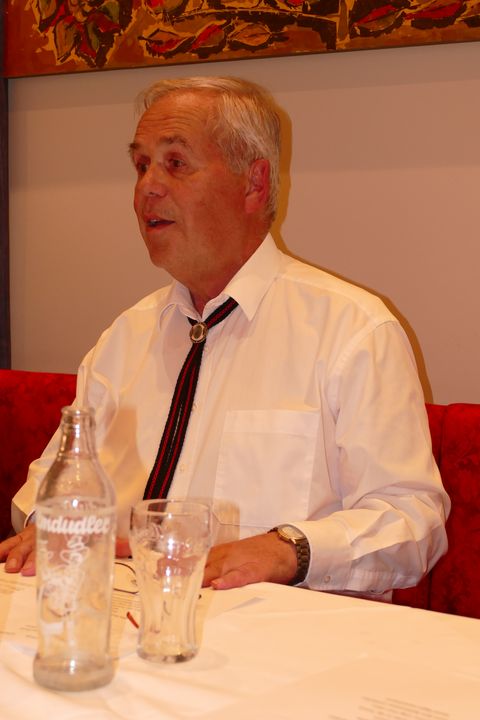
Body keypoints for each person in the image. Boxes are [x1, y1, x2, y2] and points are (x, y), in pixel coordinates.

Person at [0, 76, 449, 597]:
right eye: (141, 165)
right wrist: (49, 524)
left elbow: (412, 522)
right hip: (116, 616)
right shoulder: (123, 338)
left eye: (175, 163)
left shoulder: (352, 330)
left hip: (277, 632)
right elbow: (48, 488)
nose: (147, 187)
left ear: (254, 184)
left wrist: (288, 550)